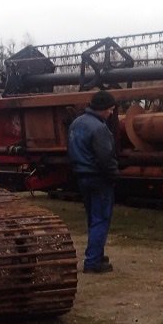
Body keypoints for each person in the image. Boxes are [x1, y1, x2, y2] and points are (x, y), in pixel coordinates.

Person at [67, 89, 119, 273]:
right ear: (102, 108)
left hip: (82, 176)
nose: (111, 113)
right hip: (99, 178)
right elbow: (105, 157)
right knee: (101, 219)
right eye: (110, 109)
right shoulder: (99, 128)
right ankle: (93, 262)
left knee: (93, 218)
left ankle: (96, 253)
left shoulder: (76, 123)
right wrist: (114, 175)